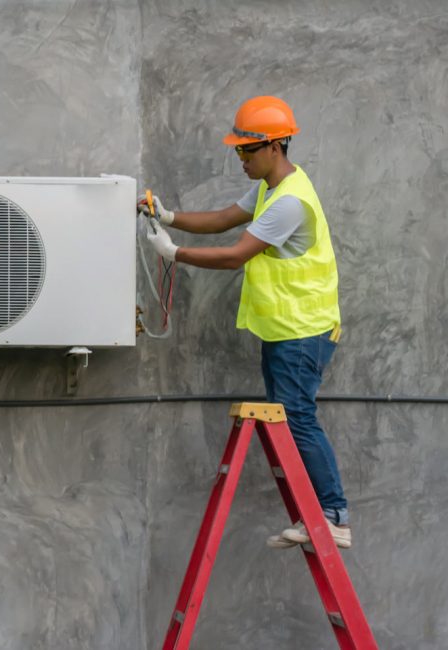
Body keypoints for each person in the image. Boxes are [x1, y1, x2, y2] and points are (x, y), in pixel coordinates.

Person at [139, 96, 350, 549]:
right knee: (290, 418)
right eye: (237, 151)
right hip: (285, 329)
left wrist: (174, 254)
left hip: (304, 330)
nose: (240, 159)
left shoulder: (290, 202)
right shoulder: (271, 188)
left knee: (298, 417)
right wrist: (168, 217)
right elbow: (222, 220)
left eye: (246, 151)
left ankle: (333, 514)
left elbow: (236, 254)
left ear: (275, 147)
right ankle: (314, 517)